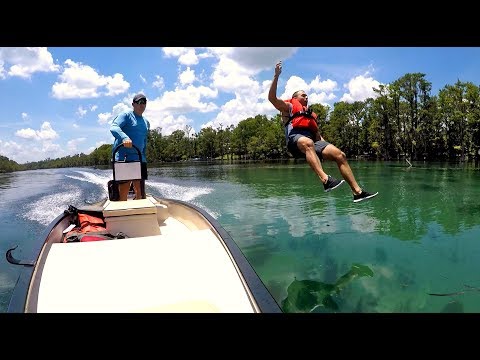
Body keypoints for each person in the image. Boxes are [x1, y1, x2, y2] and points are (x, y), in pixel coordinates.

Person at [268, 61, 378, 203]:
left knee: (340, 155)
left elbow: (318, 136)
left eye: (307, 96)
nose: (306, 97)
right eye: (303, 95)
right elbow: (272, 99)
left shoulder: (310, 115)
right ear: (295, 98)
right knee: (308, 142)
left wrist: (328, 148)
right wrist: (276, 76)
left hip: (312, 142)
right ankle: (325, 180)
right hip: (294, 140)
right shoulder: (288, 107)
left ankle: (357, 192)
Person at [110, 93, 150, 201]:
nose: (142, 105)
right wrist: (124, 138)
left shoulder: (146, 122)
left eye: (144, 102)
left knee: (140, 192)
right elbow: (114, 127)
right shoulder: (126, 115)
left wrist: (144, 157)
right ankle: (123, 211)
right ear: (133, 104)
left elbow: (144, 140)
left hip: (139, 157)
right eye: (139, 102)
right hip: (124, 157)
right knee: (124, 191)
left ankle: (140, 213)